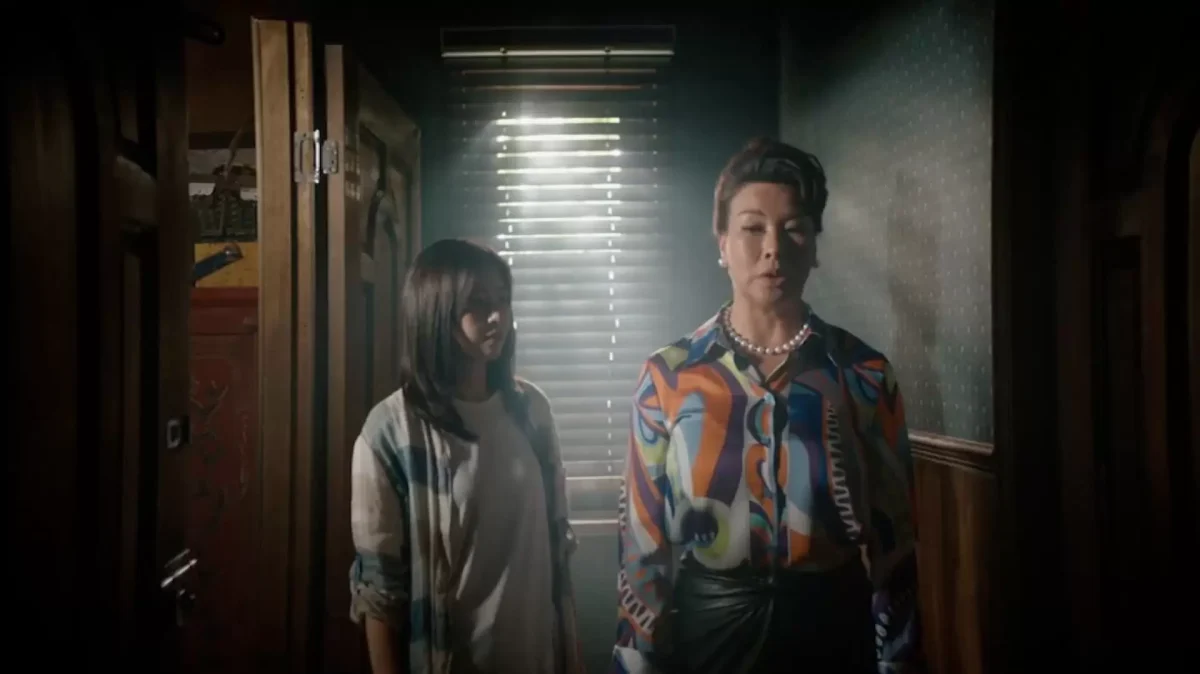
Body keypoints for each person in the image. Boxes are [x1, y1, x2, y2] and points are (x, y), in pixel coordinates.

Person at [612, 139, 923, 673]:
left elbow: (895, 547)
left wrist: (899, 661)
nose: (773, 248)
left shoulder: (864, 374)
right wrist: (636, 660)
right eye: (753, 228)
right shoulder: (668, 376)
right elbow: (643, 546)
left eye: (793, 227)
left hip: (834, 628)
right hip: (708, 631)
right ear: (723, 243)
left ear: (815, 244)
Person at [349, 238, 585, 674]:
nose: (497, 317)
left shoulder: (532, 412)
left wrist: (573, 659)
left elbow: (558, 553)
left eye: (503, 300)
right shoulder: (390, 432)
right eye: (478, 304)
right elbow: (380, 592)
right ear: (436, 311)